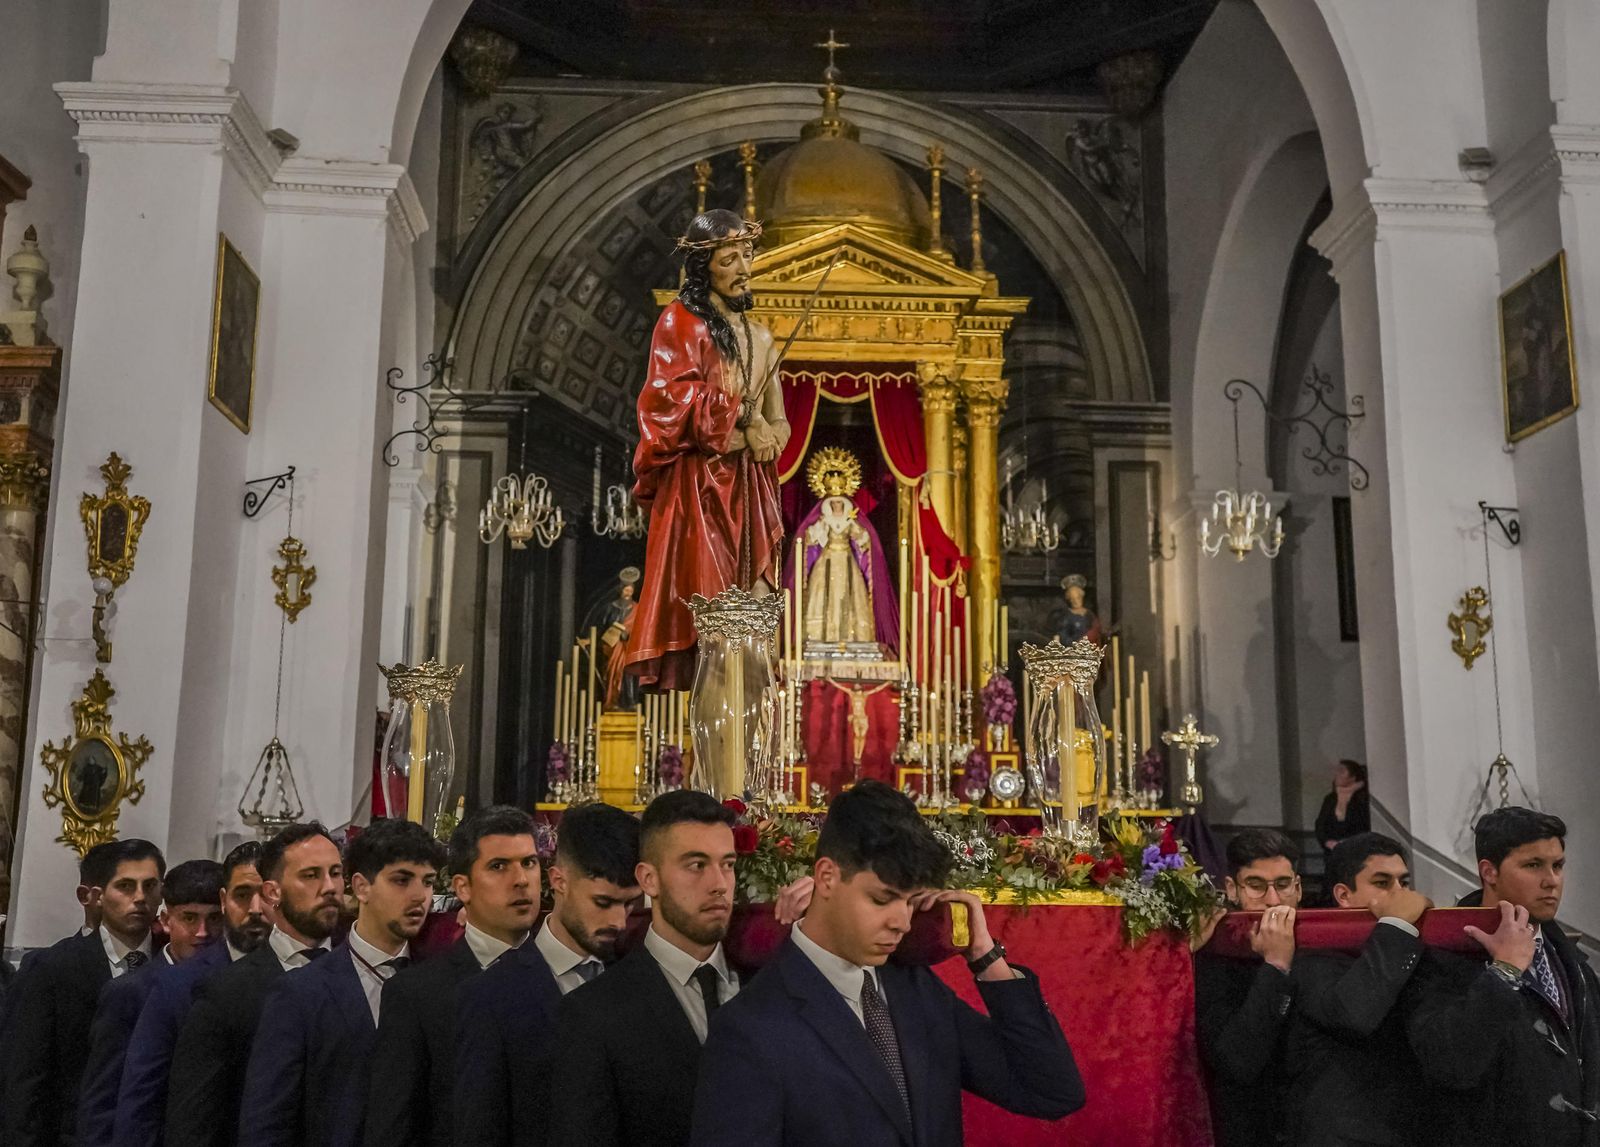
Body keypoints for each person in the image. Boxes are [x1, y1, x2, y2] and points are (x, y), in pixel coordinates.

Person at [690, 780, 1084, 1147]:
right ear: (827, 877)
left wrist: (986, 957)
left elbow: (1050, 1091)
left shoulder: (918, 991)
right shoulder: (748, 1030)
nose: (902, 922)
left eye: (912, 902)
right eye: (882, 899)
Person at [622, 209, 788, 691]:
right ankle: (713, 762)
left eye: (746, 256)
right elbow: (667, 398)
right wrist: (746, 417)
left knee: (757, 626)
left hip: (751, 488)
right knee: (714, 626)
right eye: (728, 258)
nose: (743, 268)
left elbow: (779, 417)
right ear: (704, 267)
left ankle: (748, 756)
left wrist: (773, 434)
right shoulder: (681, 321)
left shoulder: (761, 336)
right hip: (701, 490)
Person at [548, 790, 741, 1147]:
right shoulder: (592, 1014)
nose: (719, 885)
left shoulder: (764, 980)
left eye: (727, 864)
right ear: (648, 880)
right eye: (696, 865)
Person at [240, 819, 444, 1147]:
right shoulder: (300, 992)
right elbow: (267, 1122)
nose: (419, 896)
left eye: (429, 882)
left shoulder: (440, 983)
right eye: (402, 880)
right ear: (361, 887)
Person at [454, 801, 642, 1147]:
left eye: (630, 904)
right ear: (558, 881)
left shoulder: (639, 979)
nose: (619, 921)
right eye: (603, 902)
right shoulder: (490, 998)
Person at [1407, 807, 1599, 1145]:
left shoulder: (1573, 962)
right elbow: (1449, 1064)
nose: (1551, 880)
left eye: (1557, 865)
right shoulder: (1442, 953)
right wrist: (1504, 973)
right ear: (1489, 872)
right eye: (1533, 865)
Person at [364, 805, 540, 1147]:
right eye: (499, 866)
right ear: (463, 887)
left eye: (529, 863)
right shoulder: (417, 995)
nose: (521, 880)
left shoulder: (570, 978)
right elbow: (393, 1127)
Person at [165, 824, 341, 1147]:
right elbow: (194, 1125)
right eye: (311, 875)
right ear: (273, 893)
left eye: (336, 873)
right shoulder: (226, 992)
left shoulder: (361, 975)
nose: (329, 887)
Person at [1, 837, 165, 1147]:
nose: (141, 898)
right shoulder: (53, 969)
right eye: (126, 887)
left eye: (150, 886)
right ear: (100, 896)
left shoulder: (173, 963)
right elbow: (24, 1080)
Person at [114, 842, 271, 1147]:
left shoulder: (299, 975)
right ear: (226, 900)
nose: (255, 908)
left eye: (264, 895)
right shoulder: (177, 985)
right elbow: (140, 1102)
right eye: (243, 895)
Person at [1283, 833, 1430, 1147]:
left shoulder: (1410, 944)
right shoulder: (1313, 954)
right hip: (1345, 1135)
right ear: (1343, 895)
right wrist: (1397, 925)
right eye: (1382, 883)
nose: (1399, 894)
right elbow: (1354, 1014)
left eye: (1404, 883)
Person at [78, 860, 225, 1147]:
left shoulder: (232, 986)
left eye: (215, 919)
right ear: (166, 919)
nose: (203, 932)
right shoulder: (130, 992)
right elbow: (103, 1101)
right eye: (190, 918)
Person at [1193, 828, 1302, 1147]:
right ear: (1231, 888)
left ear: (1298, 887)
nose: (1272, 900)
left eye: (1282, 885)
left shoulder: (1326, 942)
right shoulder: (1212, 954)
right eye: (1256, 885)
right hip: (1247, 1127)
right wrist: (1276, 966)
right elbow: (1237, 1060)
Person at [1314, 760, 1370, 858]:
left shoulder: (1361, 799)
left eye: (1341, 771)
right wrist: (1327, 841)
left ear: (1353, 777)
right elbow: (1320, 823)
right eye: (1337, 771)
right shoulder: (1331, 799)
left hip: (1356, 851)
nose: (1337, 775)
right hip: (1332, 851)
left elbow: (1363, 825)